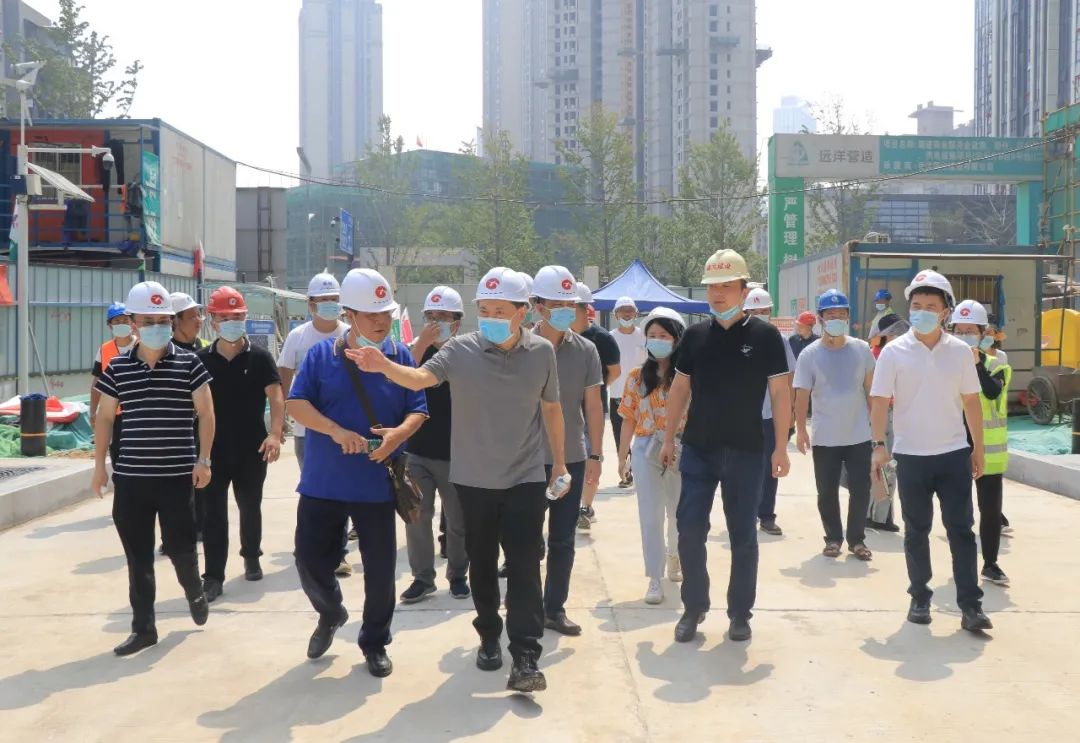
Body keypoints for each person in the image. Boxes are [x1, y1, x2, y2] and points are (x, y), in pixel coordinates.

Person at [350, 266, 568, 693]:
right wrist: (383, 365)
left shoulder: (542, 352)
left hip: (525, 476)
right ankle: (488, 635)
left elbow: (552, 408)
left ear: (522, 311)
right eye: (484, 309)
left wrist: (559, 463)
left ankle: (525, 656)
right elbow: (420, 377)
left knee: (525, 565)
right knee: (481, 563)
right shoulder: (460, 351)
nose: (490, 317)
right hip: (473, 479)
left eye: (500, 310)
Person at [287, 268, 428, 678]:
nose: (381, 321)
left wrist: (397, 435)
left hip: (376, 484)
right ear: (349, 314)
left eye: (386, 313)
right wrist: (334, 431)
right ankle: (330, 611)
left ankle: (375, 642)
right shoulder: (321, 356)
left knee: (381, 571)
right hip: (324, 482)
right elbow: (297, 404)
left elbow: (418, 409)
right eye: (371, 314)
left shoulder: (400, 357)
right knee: (309, 559)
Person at [660, 249, 791, 644]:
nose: (717, 294)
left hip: (746, 450)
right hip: (699, 448)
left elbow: (780, 393)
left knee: (742, 535)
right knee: (689, 528)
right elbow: (679, 389)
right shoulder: (695, 336)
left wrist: (780, 447)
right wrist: (668, 438)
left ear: (743, 290)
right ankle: (694, 606)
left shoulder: (765, 337)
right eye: (712, 287)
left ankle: (739, 614)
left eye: (726, 286)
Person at [90, 281, 214, 656]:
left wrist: (204, 459)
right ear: (133, 323)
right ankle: (143, 628)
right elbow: (104, 417)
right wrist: (99, 466)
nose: (157, 327)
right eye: (149, 321)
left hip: (176, 478)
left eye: (163, 320)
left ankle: (194, 591)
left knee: (180, 550)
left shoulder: (189, 363)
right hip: (132, 480)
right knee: (139, 557)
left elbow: (206, 412)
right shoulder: (118, 367)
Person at [869, 270, 992, 633]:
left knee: (961, 530)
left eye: (930, 306)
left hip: (953, 454)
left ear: (945, 312)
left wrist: (978, 448)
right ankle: (920, 598)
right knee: (916, 530)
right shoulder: (893, 352)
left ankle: (970, 606)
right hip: (911, 456)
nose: (921, 312)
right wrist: (879, 446)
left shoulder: (959, 352)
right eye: (917, 305)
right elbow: (879, 401)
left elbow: (972, 402)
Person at [197, 287, 284, 601]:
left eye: (237, 316)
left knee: (250, 506)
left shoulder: (260, 358)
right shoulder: (200, 360)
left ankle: (251, 556)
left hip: (251, 449)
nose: (232, 322)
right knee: (213, 515)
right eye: (225, 317)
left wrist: (275, 434)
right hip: (212, 451)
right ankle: (213, 577)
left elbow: (276, 397)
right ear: (213, 321)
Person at [531, 266, 604, 637]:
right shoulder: (520, 347)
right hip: (526, 460)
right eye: (555, 304)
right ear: (537, 306)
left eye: (569, 304)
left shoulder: (586, 350)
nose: (564, 310)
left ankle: (553, 608)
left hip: (570, 458)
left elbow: (594, 404)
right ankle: (526, 607)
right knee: (526, 540)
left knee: (562, 539)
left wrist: (596, 454)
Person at [793, 289, 876, 561]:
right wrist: (801, 430)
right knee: (826, 491)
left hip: (858, 433)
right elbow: (801, 395)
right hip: (825, 436)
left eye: (841, 314)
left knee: (861, 490)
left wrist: (878, 431)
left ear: (848, 317)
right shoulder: (809, 354)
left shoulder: (862, 349)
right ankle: (833, 538)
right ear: (820, 319)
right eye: (831, 315)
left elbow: (871, 391)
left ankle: (857, 540)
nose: (836, 319)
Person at [277, 272, 351, 576]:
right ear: (310, 305)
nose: (330, 305)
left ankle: (339, 553)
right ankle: (311, 546)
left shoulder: (350, 335)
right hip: (306, 431)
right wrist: (282, 417)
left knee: (341, 491)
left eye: (334, 300)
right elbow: (284, 376)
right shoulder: (298, 337)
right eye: (324, 300)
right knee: (314, 490)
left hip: (343, 430)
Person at [400, 286, 470, 603]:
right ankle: (422, 578)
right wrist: (422, 344)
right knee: (416, 516)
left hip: (457, 453)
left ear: (457, 322)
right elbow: (402, 380)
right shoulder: (414, 351)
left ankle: (458, 575)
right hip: (417, 451)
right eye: (430, 315)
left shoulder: (467, 353)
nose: (435, 321)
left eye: (443, 316)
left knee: (457, 520)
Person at [616, 307, 686, 604]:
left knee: (679, 512)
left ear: (677, 339)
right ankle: (654, 578)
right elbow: (628, 419)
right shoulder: (636, 377)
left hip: (681, 448)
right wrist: (622, 457)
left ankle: (675, 556)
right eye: (652, 335)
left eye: (664, 336)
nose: (657, 341)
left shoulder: (687, 377)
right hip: (646, 449)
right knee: (650, 515)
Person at [950, 300, 1012, 586]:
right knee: (959, 512)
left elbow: (991, 392)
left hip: (987, 451)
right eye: (959, 331)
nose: (964, 336)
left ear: (982, 332)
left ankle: (990, 563)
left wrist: (975, 365)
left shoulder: (996, 363)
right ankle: (963, 563)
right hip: (953, 447)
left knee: (990, 510)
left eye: (970, 331)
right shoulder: (944, 366)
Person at [743, 287, 795, 537]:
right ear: (745, 312)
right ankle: (744, 513)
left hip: (769, 415)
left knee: (770, 466)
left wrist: (790, 411)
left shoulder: (778, 340)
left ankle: (766, 516)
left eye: (764, 311)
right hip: (741, 416)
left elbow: (789, 377)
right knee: (741, 467)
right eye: (754, 311)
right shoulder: (734, 338)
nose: (760, 315)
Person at [574, 282, 620, 530]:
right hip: (563, 409)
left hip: (592, 408)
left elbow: (614, 371)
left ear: (585, 309)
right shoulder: (555, 337)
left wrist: (597, 389)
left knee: (592, 455)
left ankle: (585, 506)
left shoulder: (602, 338)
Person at [90, 302, 137, 464]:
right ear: (109, 325)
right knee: (117, 454)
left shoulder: (141, 345)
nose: (121, 324)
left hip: (137, 410)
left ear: (132, 322)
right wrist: (93, 411)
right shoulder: (104, 350)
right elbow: (97, 384)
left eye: (125, 320)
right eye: (117, 321)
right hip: (114, 414)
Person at [609, 296, 647, 489]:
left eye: (630, 310)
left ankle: (644, 472)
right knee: (621, 438)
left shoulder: (645, 336)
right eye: (622, 310)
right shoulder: (610, 337)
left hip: (643, 396)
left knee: (643, 437)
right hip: (617, 395)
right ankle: (626, 473)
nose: (626, 314)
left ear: (636, 313)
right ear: (616, 315)